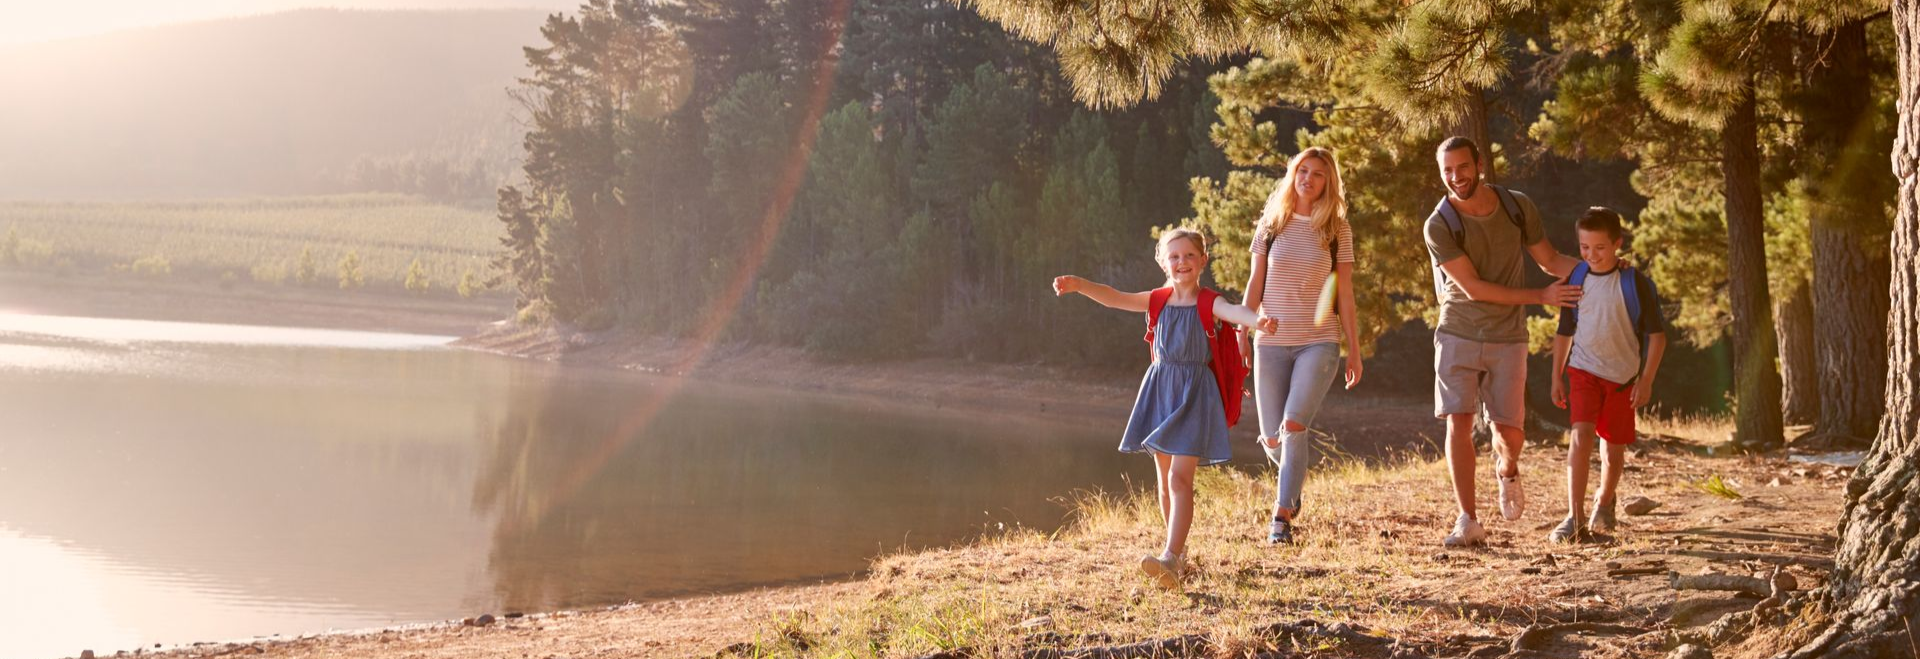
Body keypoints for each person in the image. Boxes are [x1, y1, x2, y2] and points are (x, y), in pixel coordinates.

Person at [1053, 228, 1276, 588]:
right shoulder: (1157, 300)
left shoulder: (1208, 302)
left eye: (1189, 255)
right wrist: (1080, 284)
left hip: (1194, 397)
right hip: (1160, 390)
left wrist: (1258, 321)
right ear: (1162, 262)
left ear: (1203, 260)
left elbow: (1235, 312)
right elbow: (1114, 298)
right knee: (1163, 480)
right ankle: (1179, 555)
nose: (1182, 262)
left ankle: (1169, 558)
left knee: (1179, 478)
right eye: (1174, 256)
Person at [1423, 136, 1582, 547]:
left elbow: (1549, 260)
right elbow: (1473, 288)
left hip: (1507, 336)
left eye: (1462, 167)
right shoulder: (1439, 224)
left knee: (1510, 434)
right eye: (1447, 171)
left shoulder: (1516, 207)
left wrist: (1601, 269)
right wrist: (1541, 296)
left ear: (1480, 164)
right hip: (1458, 328)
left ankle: (1507, 470)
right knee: (1458, 421)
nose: (1456, 177)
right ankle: (1467, 519)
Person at [1239, 147, 1362, 545]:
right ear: (1293, 174)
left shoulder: (1336, 229)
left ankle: (1280, 519)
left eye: (1318, 174)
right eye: (1303, 171)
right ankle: (1294, 485)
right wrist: (1243, 327)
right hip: (1270, 342)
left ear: (1330, 183)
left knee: (1294, 426)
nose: (1308, 179)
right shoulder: (1271, 223)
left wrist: (1354, 350)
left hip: (1318, 342)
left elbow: (1343, 293)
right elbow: (1255, 282)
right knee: (1272, 438)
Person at [1548, 207, 1667, 543]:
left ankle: (1604, 502)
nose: (1591, 255)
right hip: (1583, 370)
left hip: (1622, 380)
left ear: (1617, 243)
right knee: (1581, 436)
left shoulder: (1635, 283)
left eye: (1599, 248)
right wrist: (1556, 375)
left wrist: (1646, 380)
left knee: (1613, 449)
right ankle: (1574, 516)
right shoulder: (1576, 278)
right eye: (1584, 248)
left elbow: (1657, 336)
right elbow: (1564, 331)